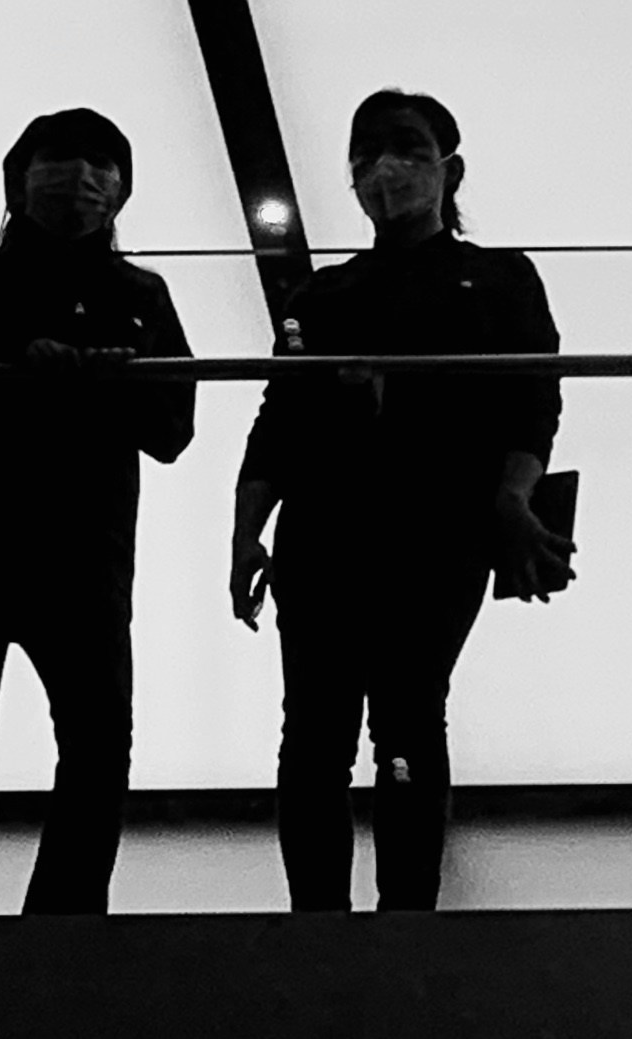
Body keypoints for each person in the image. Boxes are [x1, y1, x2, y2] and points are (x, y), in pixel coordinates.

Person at [233, 88, 568, 911]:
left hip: (437, 531)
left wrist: (512, 498)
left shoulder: (499, 277)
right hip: (324, 534)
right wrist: (246, 530)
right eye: (369, 152)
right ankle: (319, 919)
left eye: (409, 148)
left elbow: (533, 403)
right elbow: (279, 420)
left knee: (408, 721)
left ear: (449, 167)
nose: (388, 168)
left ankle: (407, 920)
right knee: (314, 735)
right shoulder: (323, 294)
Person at [0, 107, 196, 916]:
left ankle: (59, 927)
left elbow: (172, 429)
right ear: (17, 178)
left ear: (123, 190)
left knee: (94, 752)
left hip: (82, 563)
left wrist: (107, 385)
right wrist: (11, 370)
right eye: (59, 158)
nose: (81, 177)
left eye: (101, 162)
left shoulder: (141, 293)